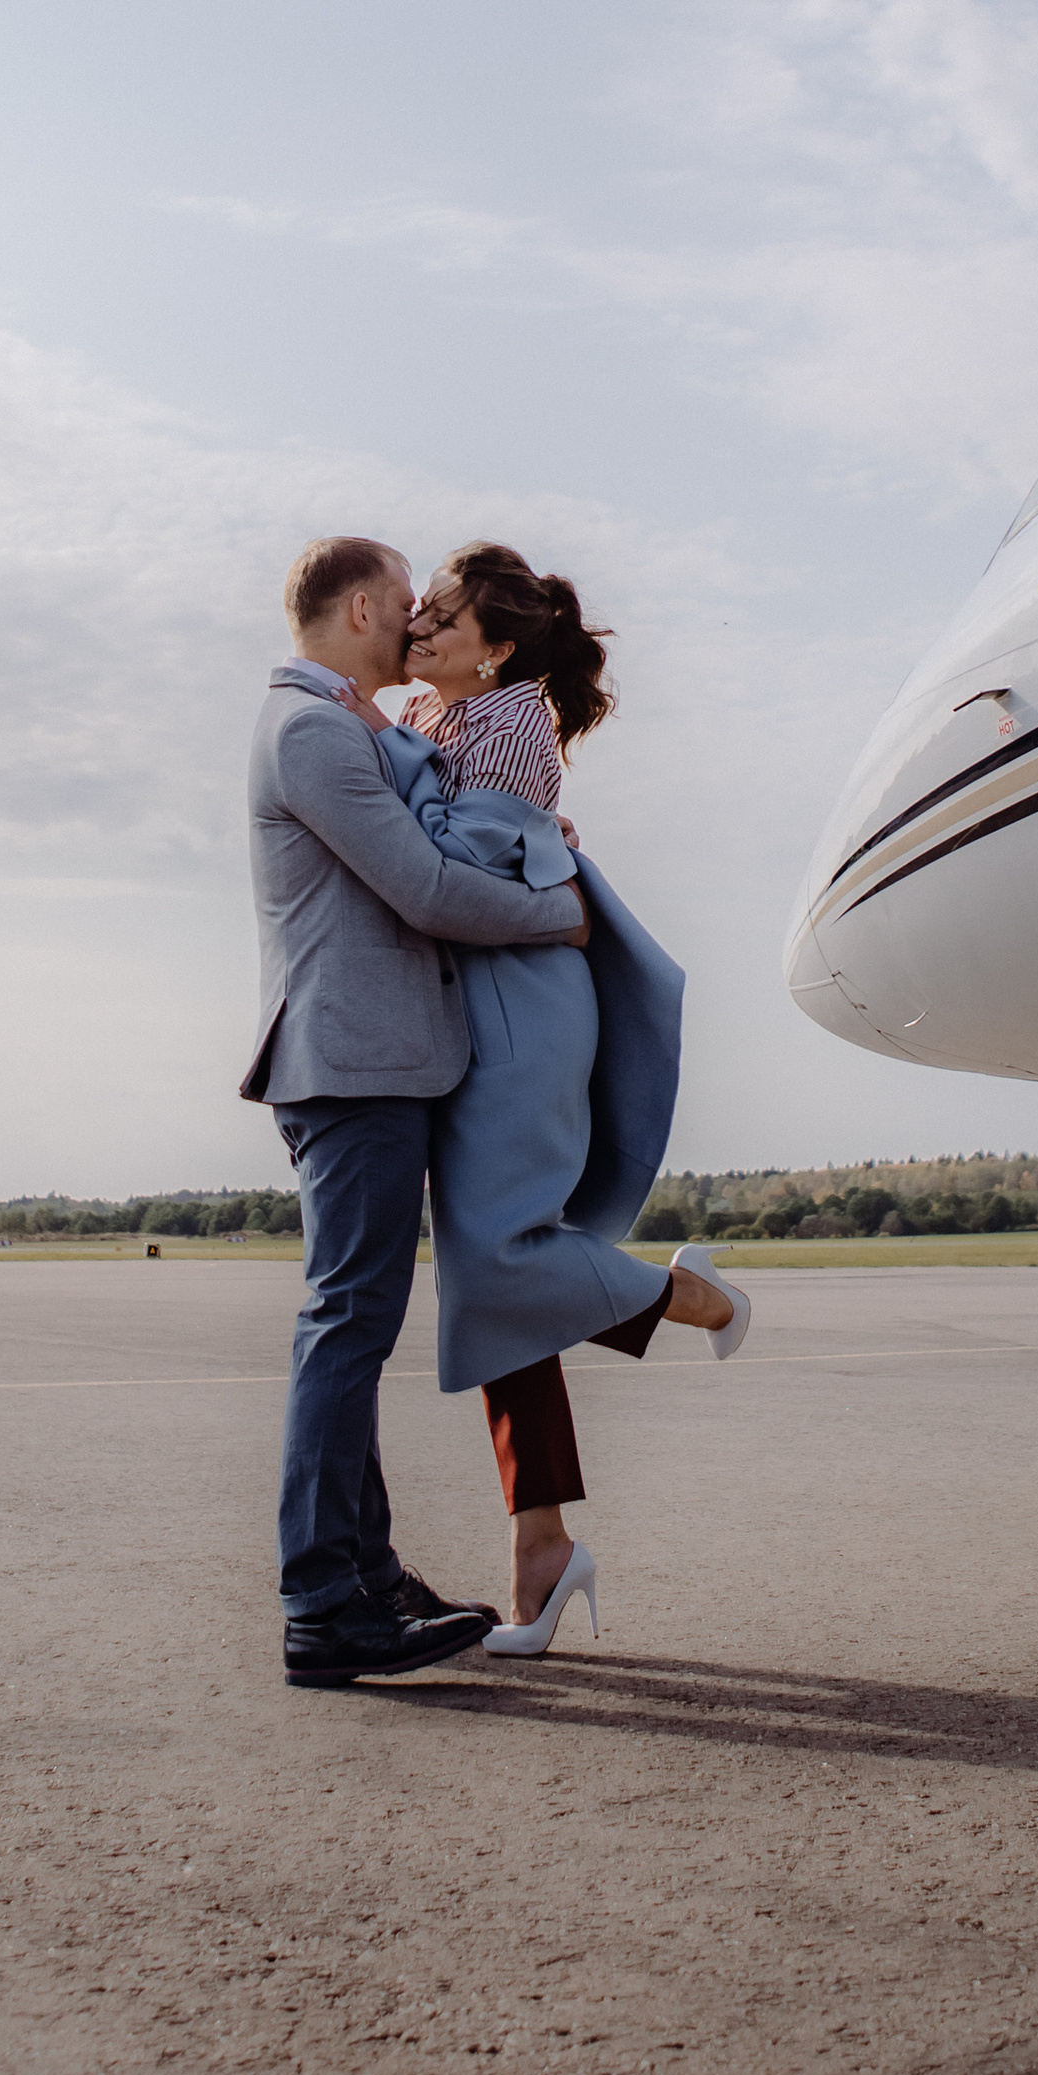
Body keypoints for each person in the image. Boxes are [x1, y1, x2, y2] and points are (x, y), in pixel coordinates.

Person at [348, 543, 746, 1655]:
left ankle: (692, 1300)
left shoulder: (512, 719)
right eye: (422, 612)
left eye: (443, 617)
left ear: (498, 647)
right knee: (491, 1282)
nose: (420, 629)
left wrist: (371, 758)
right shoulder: (432, 711)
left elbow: (444, 871)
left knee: (501, 1255)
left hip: (525, 1002)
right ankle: (543, 1545)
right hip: (476, 1001)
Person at [244, 535, 598, 1690]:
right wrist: (562, 914)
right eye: (404, 603)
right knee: (346, 1325)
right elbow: (430, 890)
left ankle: (367, 1576)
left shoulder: (351, 726)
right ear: (360, 609)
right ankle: (320, 1604)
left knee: (352, 1323)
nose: (414, 622)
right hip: (355, 1066)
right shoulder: (311, 732)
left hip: (377, 1063)